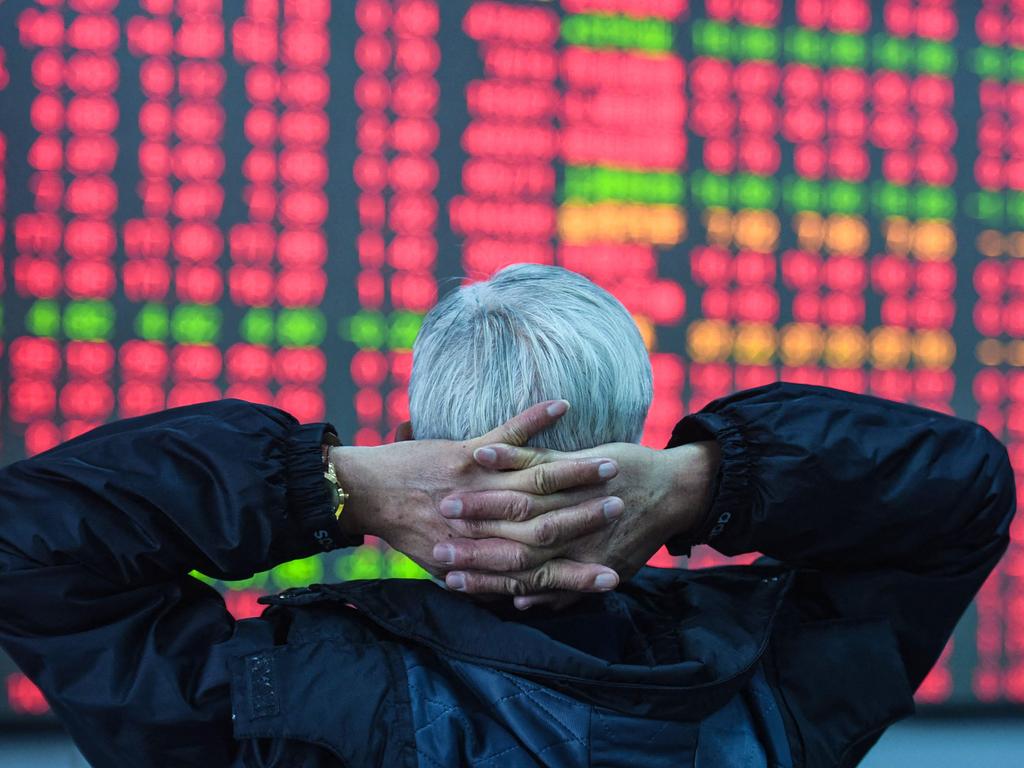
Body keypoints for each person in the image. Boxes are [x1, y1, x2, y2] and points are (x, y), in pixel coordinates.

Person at [0, 264, 1015, 767]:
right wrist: (706, 482)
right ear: (636, 437)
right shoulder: (764, 683)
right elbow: (960, 490)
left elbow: (28, 542)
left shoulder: (277, 701)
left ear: (412, 439)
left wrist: (330, 487)